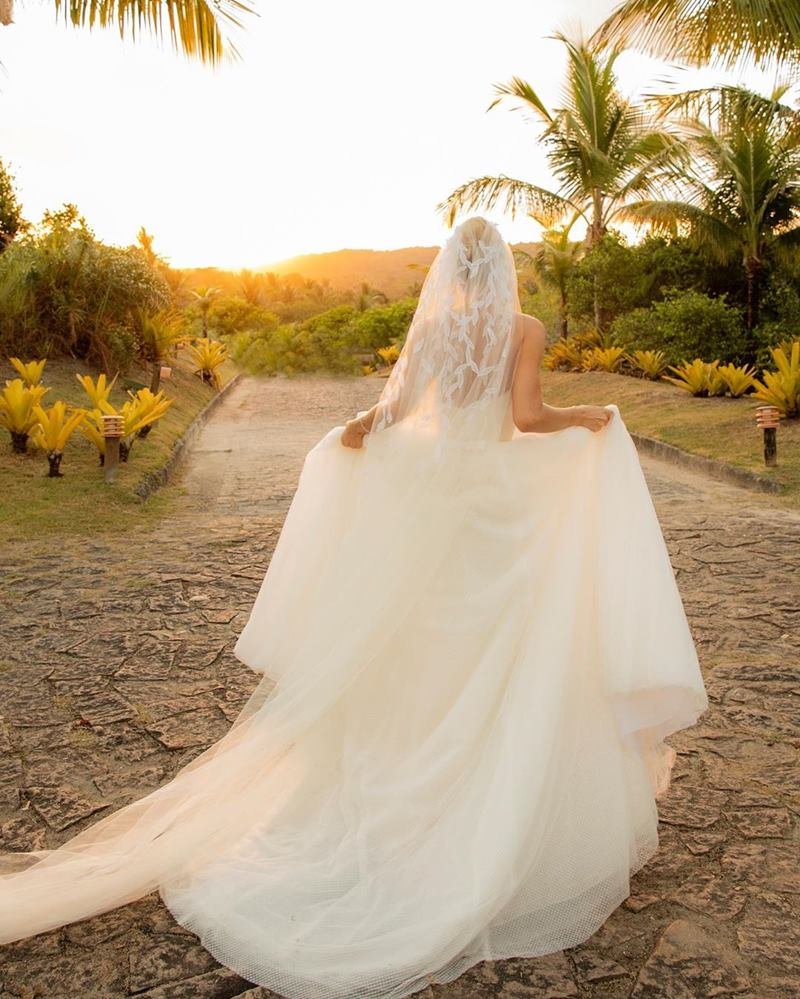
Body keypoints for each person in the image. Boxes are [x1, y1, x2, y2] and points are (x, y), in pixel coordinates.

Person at [0, 217, 708, 999]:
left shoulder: (435, 325)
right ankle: (476, 801)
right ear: (503, 268)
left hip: (433, 506)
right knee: (496, 648)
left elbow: (397, 411)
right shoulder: (525, 327)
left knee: (421, 652)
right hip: (492, 512)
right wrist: (590, 419)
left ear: (451, 270)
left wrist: (355, 434)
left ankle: (406, 790)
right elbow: (528, 420)